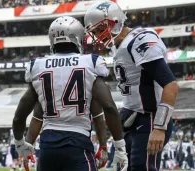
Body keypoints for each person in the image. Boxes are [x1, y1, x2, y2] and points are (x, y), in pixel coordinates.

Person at [12, 16, 128, 171]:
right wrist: (118, 146)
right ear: (78, 37)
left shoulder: (38, 66)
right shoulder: (90, 63)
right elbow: (107, 106)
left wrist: (21, 144)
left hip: (48, 148)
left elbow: (22, 115)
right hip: (77, 145)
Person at [84, 1, 179, 171]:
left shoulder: (140, 40)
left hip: (150, 117)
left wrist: (159, 127)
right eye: (95, 31)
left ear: (114, 22)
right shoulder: (119, 45)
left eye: (100, 29)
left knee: (140, 167)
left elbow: (171, 85)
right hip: (130, 116)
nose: (98, 35)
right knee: (120, 166)